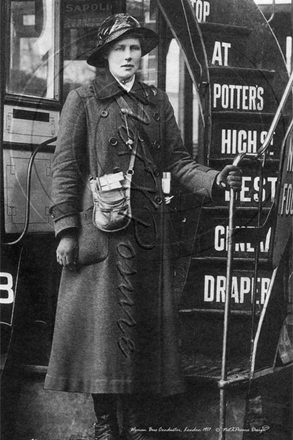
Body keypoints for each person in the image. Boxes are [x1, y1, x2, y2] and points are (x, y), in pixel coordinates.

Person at [44, 13, 242, 440]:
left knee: (137, 334)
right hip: (102, 233)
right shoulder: (84, 100)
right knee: (101, 338)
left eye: (135, 49)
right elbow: (65, 169)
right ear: (106, 57)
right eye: (121, 49)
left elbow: (177, 160)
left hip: (148, 234)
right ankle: (104, 426)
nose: (130, 56)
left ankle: (131, 425)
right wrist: (65, 230)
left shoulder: (156, 102)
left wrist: (213, 179)